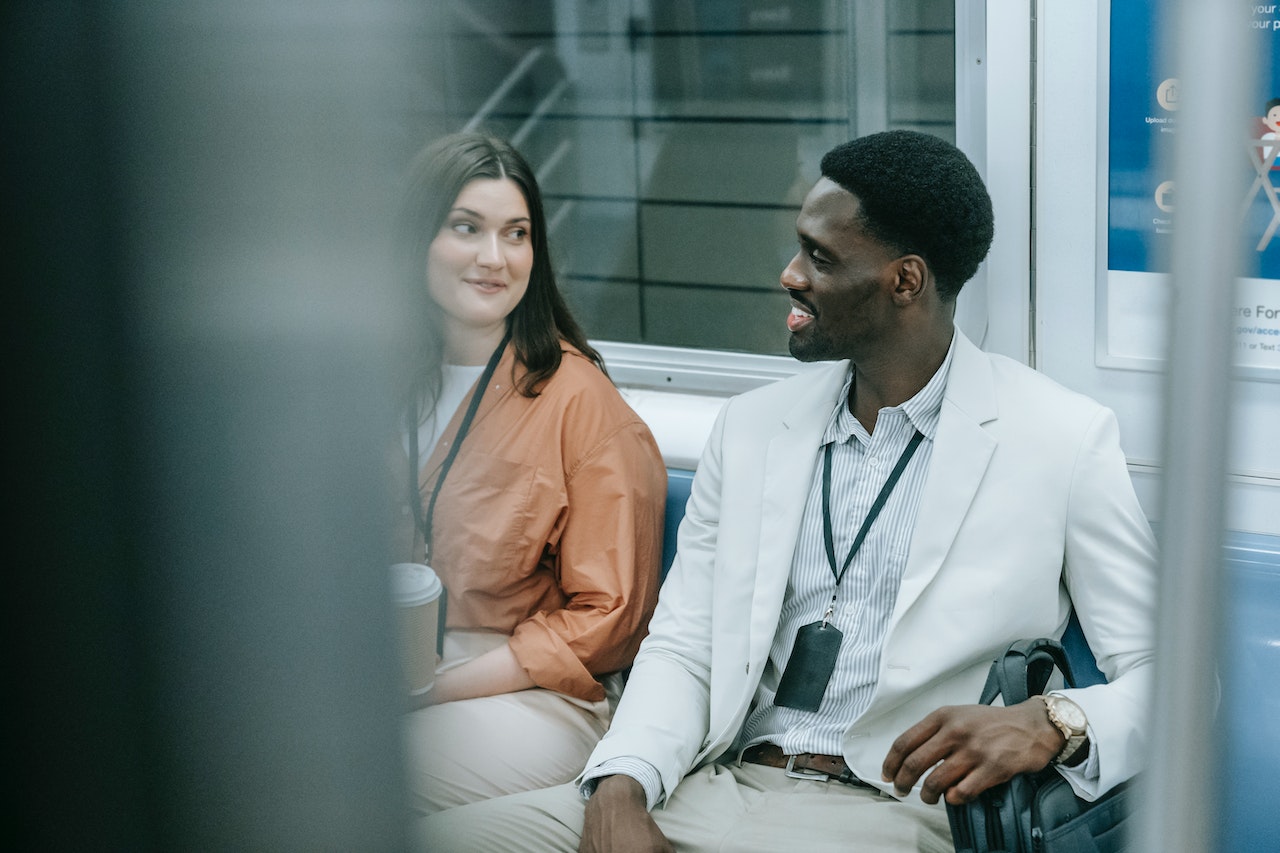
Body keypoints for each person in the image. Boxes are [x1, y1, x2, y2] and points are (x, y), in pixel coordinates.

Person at [420, 130, 1157, 852]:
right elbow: (684, 646)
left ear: (905, 281)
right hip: (717, 785)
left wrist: (1052, 721)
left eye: (820, 257)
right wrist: (621, 782)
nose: (789, 274)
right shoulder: (750, 428)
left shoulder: (1060, 438)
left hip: (894, 815)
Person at [391, 132, 667, 815]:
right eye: (466, 228)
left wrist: (433, 688)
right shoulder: (376, 380)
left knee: (354, 775)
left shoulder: (582, 406)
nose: (494, 257)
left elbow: (609, 620)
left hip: (535, 692)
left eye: (516, 234)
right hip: (401, 664)